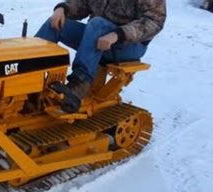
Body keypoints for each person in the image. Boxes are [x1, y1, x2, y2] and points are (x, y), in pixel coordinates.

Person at [36, 0, 166, 113]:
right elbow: (82, 4)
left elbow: (154, 21)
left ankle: (79, 85)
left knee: (97, 24)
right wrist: (62, 9)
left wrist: (118, 34)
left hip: (128, 44)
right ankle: (30, 74)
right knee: (55, 24)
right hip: (96, 35)